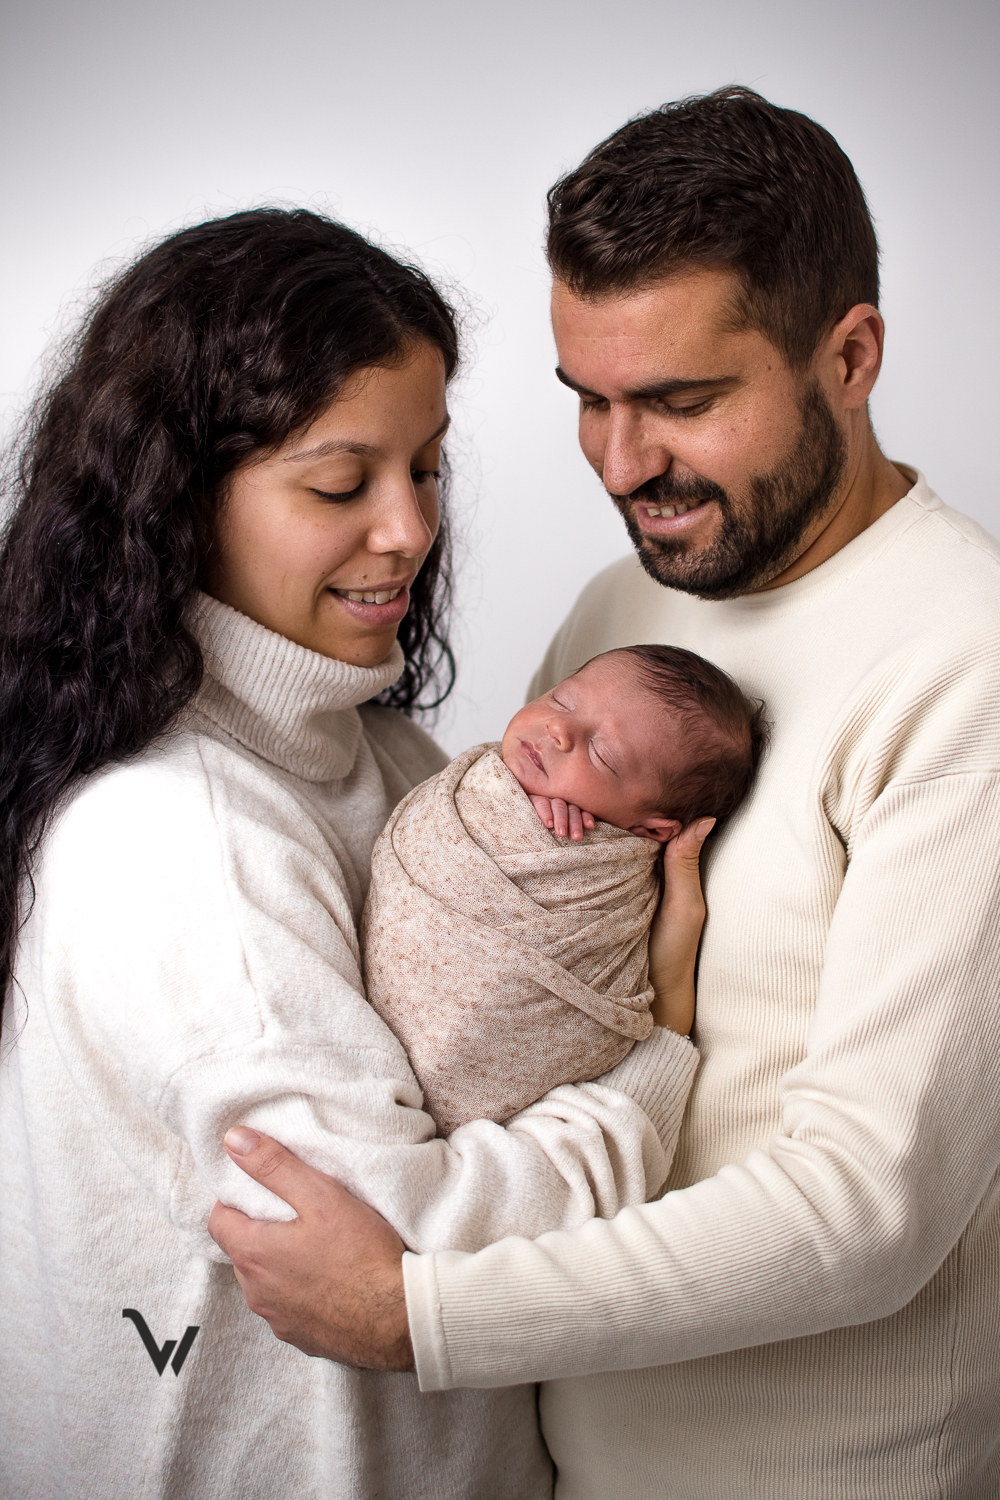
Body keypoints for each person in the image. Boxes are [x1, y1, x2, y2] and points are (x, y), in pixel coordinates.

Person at [209, 89, 1000, 1498]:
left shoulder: (962, 663)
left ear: (852, 355)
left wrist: (418, 1311)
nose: (625, 464)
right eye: (593, 401)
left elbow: (873, 1209)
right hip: (562, 1458)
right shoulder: (622, 606)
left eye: (683, 403)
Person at [0, 208, 709, 1500]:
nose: (408, 529)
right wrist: (649, 1075)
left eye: (427, 468)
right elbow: (394, 1265)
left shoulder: (388, 765)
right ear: (179, 501)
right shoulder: (181, 839)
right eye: (342, 485)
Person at [364, 644, 764, 1133]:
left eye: (602, 754)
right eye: (562, 701)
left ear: (652, 830)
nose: (558, 729)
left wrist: (566, 848)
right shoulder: (488, 777)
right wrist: (507, 803)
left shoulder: (611, 875)